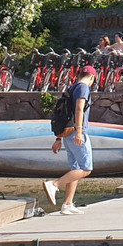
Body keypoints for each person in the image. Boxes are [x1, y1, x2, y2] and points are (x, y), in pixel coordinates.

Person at [43, 65, 96, 215]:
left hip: (67, 133)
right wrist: (79, 132)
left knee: (75, 169)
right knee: (86, 169)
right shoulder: (83, 88)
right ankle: (54, 184)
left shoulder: (72, 88)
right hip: (76, 133)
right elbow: (79, 109)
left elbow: (64, 113)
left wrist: (58, 138)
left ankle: (67, 204)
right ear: (91, 78)